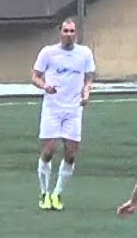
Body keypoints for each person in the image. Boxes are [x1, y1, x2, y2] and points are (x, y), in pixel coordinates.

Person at [31, 18, 95, 211]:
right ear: (60, 32)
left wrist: (86, 93)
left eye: (72, 31)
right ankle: (44, 192)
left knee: (71, 154)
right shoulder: (48, 53)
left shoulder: (84, 53)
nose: (69, 34)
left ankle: (57, 194)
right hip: (52, 108)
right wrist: (45, 86)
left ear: (76, 33)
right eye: (66, 31)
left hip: (73, 109)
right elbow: (35, 76)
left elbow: (88, 78)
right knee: (49, 150)